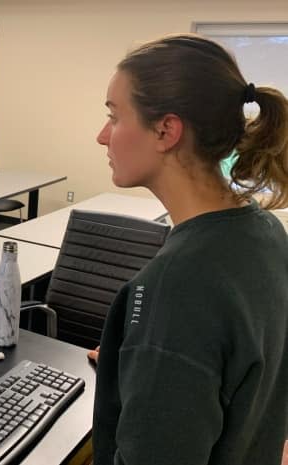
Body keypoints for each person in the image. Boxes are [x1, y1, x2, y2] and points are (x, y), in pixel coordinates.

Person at [91, 34, 288, 465]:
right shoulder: (266, 232)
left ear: (166, 130)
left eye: (114, 116)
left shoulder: (178, 284)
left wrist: (163, 347)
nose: (102, 136)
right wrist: (154, 361)